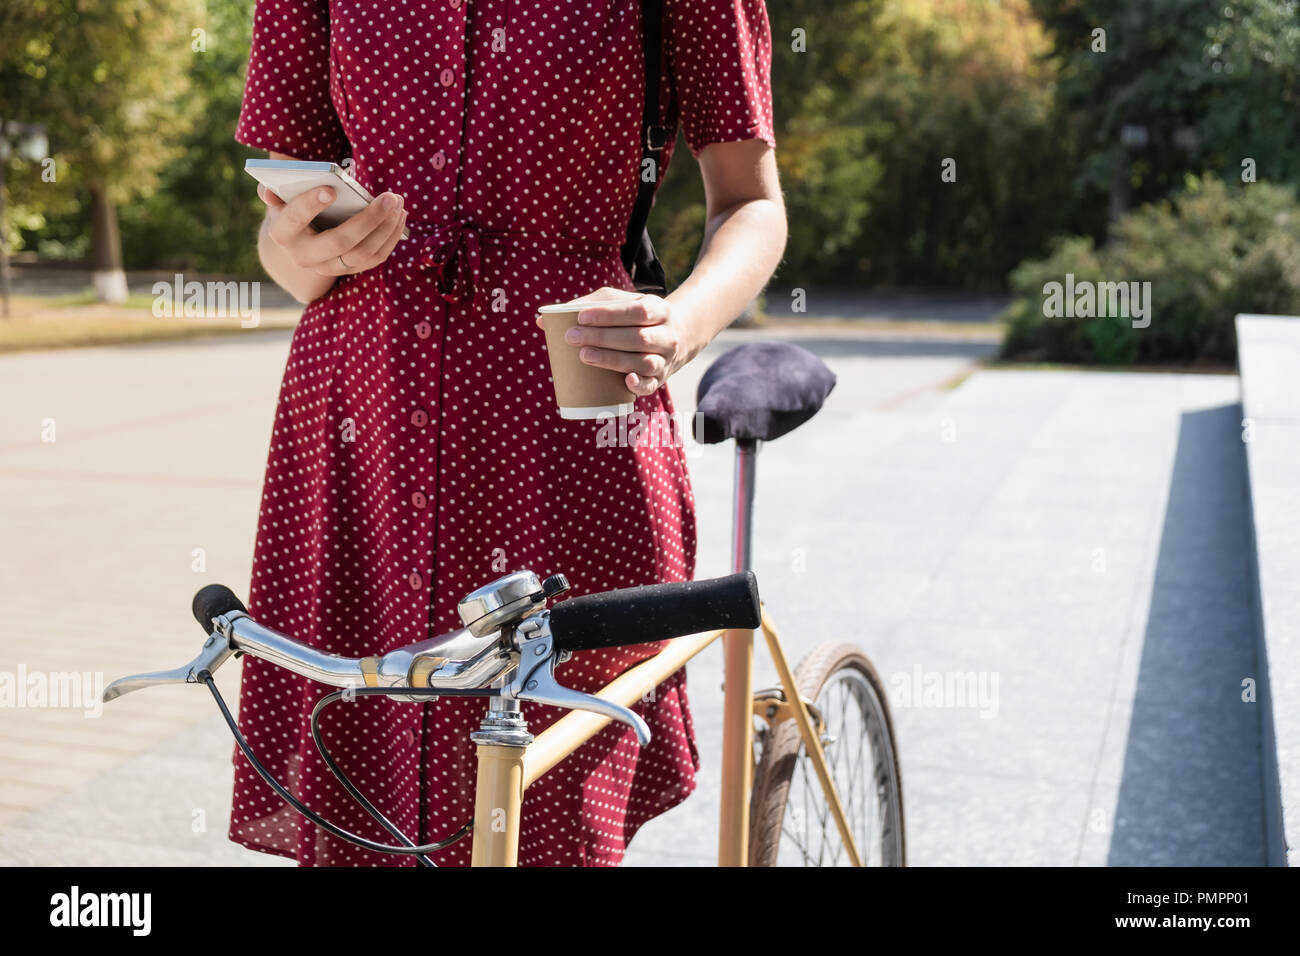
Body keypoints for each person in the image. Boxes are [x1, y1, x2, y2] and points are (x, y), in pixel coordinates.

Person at [229, 0, 786, 866]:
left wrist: (678, 326)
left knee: (545, 805)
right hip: (356, 425)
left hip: (559, 419)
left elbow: (752, 203)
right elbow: (282, 238)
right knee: (359, 793)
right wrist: (298, 253)